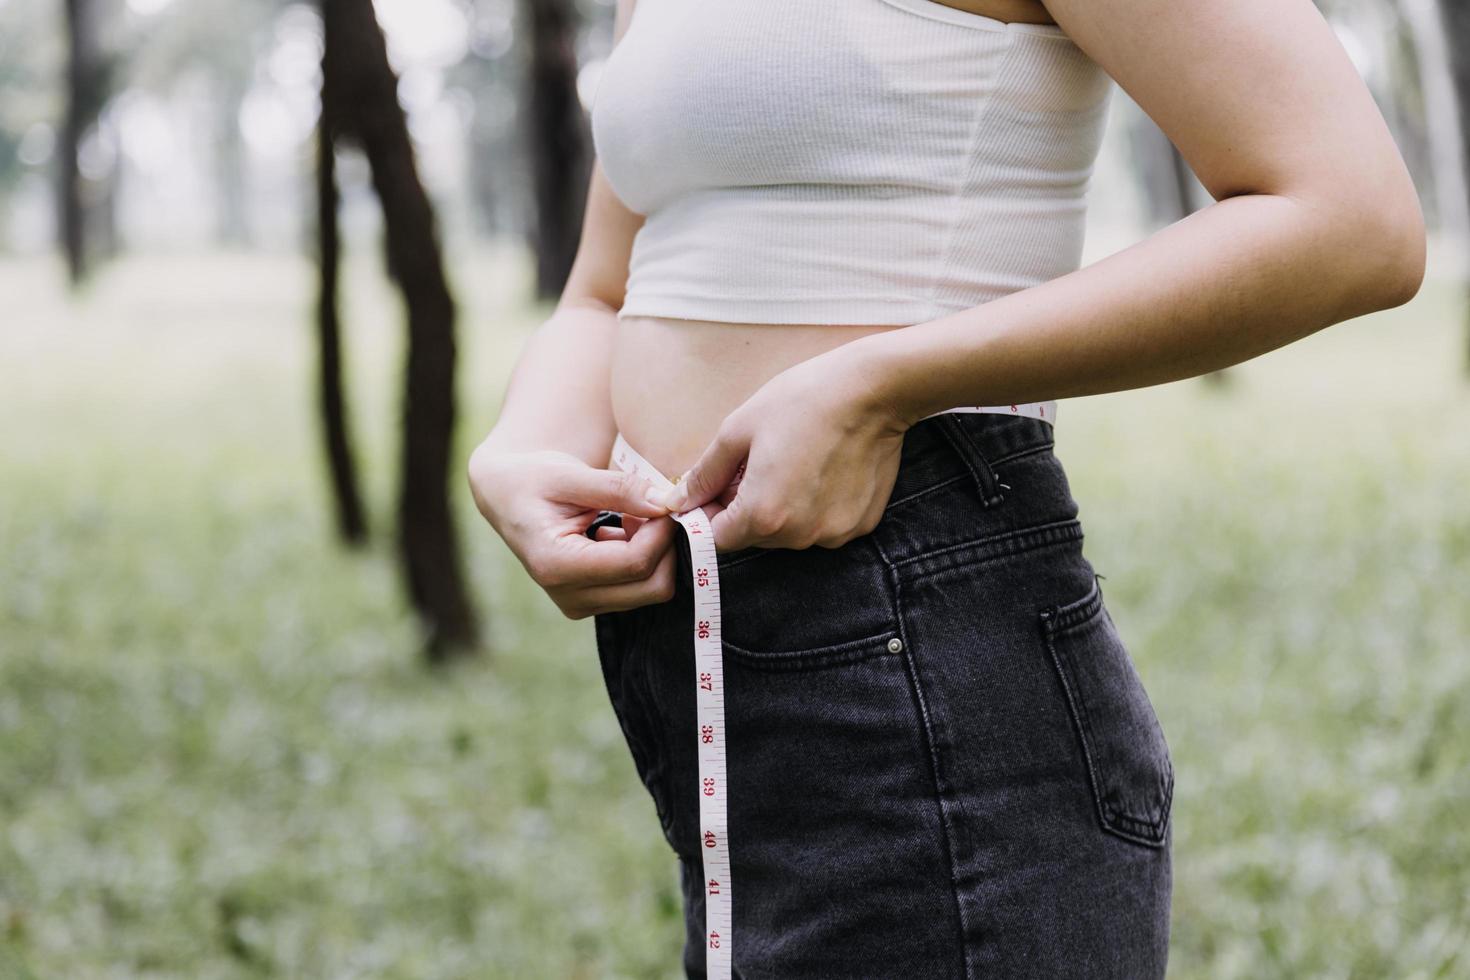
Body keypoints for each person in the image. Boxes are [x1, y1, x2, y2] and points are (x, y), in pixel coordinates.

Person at [466, 0, 1425, 974]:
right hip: (707, 670)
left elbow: (1353, 218)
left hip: (914, 646)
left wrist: (881, 384)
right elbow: (606, 286)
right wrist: (519, 444)